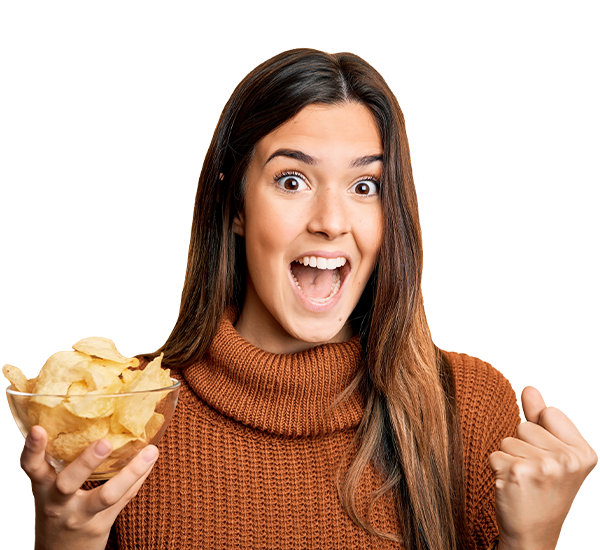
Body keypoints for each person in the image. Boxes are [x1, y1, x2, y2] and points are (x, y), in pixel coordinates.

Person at [21, 49, 596, 550]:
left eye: (364, 186)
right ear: (237, 205)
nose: (330, 222)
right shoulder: (128, 416)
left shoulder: (466, 409)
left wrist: (532, 540)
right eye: (292, 180)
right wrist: (64, 544)